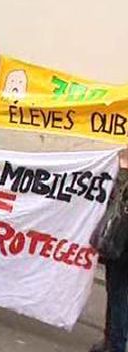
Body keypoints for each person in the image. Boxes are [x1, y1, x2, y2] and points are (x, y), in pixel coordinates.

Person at [90, 147, 128, 352]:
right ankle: (111, 339)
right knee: (115, 290)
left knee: (119, 293)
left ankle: (117, 345)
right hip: (119, 242)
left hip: (123, 243)